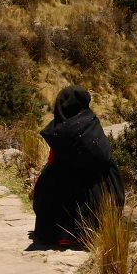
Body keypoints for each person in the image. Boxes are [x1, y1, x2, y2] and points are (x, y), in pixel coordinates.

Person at [31, 85, 124, 246]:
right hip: (94, 187)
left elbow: (52, 159)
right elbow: (104, 156)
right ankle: (84, 233)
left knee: (51, 182)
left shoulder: (58, 130)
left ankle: (58, 233)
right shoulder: (90, 123)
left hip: (61, 187)